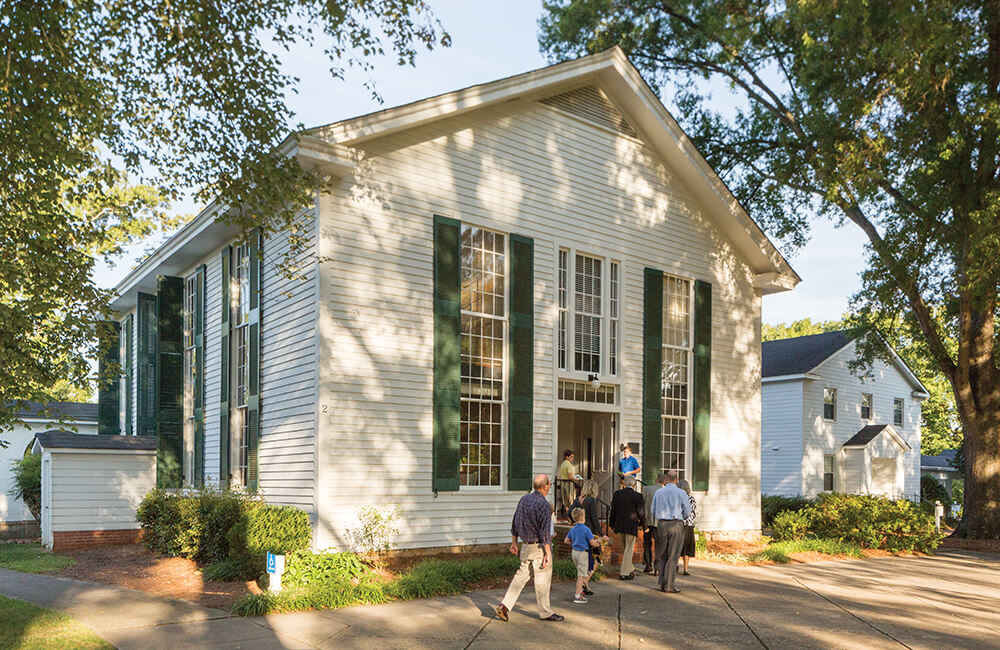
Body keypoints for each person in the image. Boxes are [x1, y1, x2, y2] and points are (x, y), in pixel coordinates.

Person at [495, 474, 564, 622]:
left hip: (525, 545)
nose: (550, 486)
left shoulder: (524, 499)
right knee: (542, 579)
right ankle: (545, 612)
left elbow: (515, 522)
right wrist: (547, 553)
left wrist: (514, 542)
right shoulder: (544, 505)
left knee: (521, 576)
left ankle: (505, 605)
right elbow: (545, 531)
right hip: (538, 546)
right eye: (550, 484)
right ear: (545, 486)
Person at [650, 469, 691, 594]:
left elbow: (653, 510)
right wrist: (681, 517)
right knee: (673, 556)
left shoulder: (659, 492)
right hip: (676, 523)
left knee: (662, 554)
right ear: (677, 480)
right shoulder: (681, 493)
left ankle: (662, 582)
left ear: (666, 479)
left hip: (662, 524)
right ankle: (669, 585)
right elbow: (687, 512)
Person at [608, 475, 645, 580]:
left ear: (624, 484)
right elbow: (641, 513)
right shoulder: (638, 496)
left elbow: (613, 510)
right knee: (628, 550)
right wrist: (644, 526)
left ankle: (630, 569)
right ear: (634, 484)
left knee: (626, 550)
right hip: (631, 526)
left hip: (619, 525)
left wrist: (611, 524)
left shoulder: (617, 494)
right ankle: (624, 573)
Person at [564, 507, 603, 603]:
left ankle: (580, 591)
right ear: (582, 518)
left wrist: (575, 542)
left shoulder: (572, 529)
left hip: (574, 552)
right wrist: (598, 543)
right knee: (581, 575)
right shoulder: (586, 529)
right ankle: (578, 595)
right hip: (583, 553)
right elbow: (592, 543)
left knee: (581, 571)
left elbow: (566, 541)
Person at [570, 479, 602, 578]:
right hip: (590, 532)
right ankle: (584, 582)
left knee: (585, 560)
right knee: (596, 559)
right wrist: (601, 533)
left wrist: (574, 520)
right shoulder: (591, 500)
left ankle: (584, 584)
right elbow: (594, 518)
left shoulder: (577, 499)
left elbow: (569, 511)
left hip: (579, 531)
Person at [641, 473, 667, 574]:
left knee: (646, 543)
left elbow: (641, 504)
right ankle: (657, 566)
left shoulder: (646, 489)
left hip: (647, 520)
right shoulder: (665, 492)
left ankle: (648, 565)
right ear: (664, 481)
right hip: (659, 522)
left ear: (656, 480)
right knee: (659, 544)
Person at [677, 479, 698, 576]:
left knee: (677, 546)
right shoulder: (691, 499)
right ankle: (686, 569)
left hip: (679, 524)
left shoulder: (676, 498)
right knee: (687, 547)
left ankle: (675, 565)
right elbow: (694, 513)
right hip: (689, 525)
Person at [557, 449, 580, 516]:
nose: (572, 459)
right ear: (567, 457)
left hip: (563, 483)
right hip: (568, 484)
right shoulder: (569, 465)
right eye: (571, 457)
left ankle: (567, 515)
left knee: (565, 501)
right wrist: (576, 478)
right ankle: (572, 516)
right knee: (571, 500)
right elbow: (570, 477)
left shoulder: (562, 464)